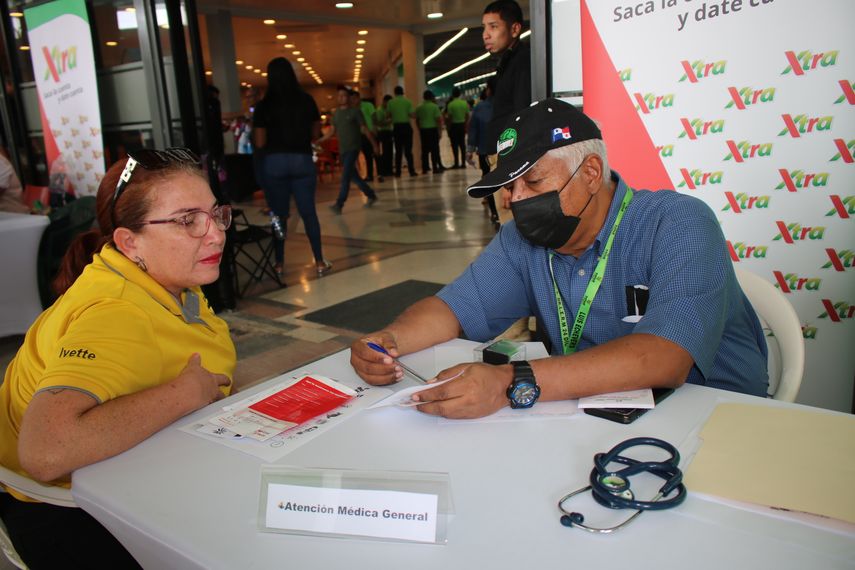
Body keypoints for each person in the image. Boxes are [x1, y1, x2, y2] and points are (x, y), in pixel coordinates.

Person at [349, 99, 769, 419]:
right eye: (509, 187)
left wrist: (511, 383)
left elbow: (664, 358)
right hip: (598, 415)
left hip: (717, 417)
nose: (515, 201)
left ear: (590, 173)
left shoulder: (678, 223)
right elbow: (453, 309)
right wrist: (389, 341)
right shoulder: (522, 240)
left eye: (532, 181)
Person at [0, 148, 235, 568]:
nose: (215, 233)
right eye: (188, 221)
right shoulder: (117, 311)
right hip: (62, 513)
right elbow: (45, 451)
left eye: (216, 214)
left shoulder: (168, 277)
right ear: (129, 241)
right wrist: (184, 393)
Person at [253, 57, 332, 277]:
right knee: (309, 213)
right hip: (301, 160)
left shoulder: (263, 106)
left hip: (275, 163)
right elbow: (315, 134)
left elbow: (259, 142)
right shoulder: (306, 100)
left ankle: (279, 263)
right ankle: (319, 261)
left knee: (279, 216)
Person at [319, 86, 379, 213]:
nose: (341, 98)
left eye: (344, 95)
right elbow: (332, 132)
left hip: (353, 148)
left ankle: (339, 204)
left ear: (349, 97)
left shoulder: (355, 112)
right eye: (339, 95)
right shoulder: (336, 114)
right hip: (343, 150)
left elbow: (364, 129)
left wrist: (374, 144)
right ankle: (371, 195)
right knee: (354, 177)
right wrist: (320, 140)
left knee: (345, 176)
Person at [483, 0, 531, 145]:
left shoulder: (522, 61)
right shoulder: (507, 62)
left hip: (512, 152)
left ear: (515, 29)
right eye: (484, 27)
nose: (485, 35)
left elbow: (522, 115)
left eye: (493, 27)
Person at [467, 79, 500, 226]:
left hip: (486, 151)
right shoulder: (509, 105)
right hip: (508, 150)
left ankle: (495, 212)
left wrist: (470, 150)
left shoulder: (480, 107)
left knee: (489, 180)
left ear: (488, 90)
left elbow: (473, 130)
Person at [388, 85, 417, 177]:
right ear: (403, 92)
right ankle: (411, 171)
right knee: (408, 151)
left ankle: (398, 172)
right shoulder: (408, 102)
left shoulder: (391, 103)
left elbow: (388, 115)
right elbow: (412, 115)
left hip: (397, 128)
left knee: (398, 151)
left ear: (395, 93)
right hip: (406, 127)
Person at [415, 90, 444, 174]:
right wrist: (440, 131)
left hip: (423, 130)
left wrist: (419, 129)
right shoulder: (434, 107)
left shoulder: (419, 107)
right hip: (432, 130)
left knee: (424, 150)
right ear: (431, 97)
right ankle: (435, 168)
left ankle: (425, 168)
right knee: (434, 149)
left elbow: (417, 120)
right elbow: (438, 120)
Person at [357, 93, 382, 183]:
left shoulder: (368, 105)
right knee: (367, 155)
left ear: (358, 98)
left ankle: (380, 174)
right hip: (362, 134)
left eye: (354, 98)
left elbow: (373, 116)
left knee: (376, 153)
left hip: (372, 132)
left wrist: (374, 128)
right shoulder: (354, 109)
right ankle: (370, 175)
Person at [445, 87, 470, 169]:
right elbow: (467, 115)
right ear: (460, 94)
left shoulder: (450, 104)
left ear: (453, 94)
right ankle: (463, 163)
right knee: (462, 145)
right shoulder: (464, 103)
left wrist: (448, 128)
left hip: (454, 126)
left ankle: (456, 163)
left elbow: (450, 118)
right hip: (462, 125)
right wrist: (466, 125)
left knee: (454, 145)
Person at [373, 95, 394, 178]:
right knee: (384, 152)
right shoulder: (379, 110)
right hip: (382, 133)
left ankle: (389, 170)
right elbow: (378, 122)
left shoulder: (388, 110)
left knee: (389, 152)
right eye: (388, 103)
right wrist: (389, 121)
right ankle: (384, 170)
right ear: (384, 101)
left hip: (389, 132)